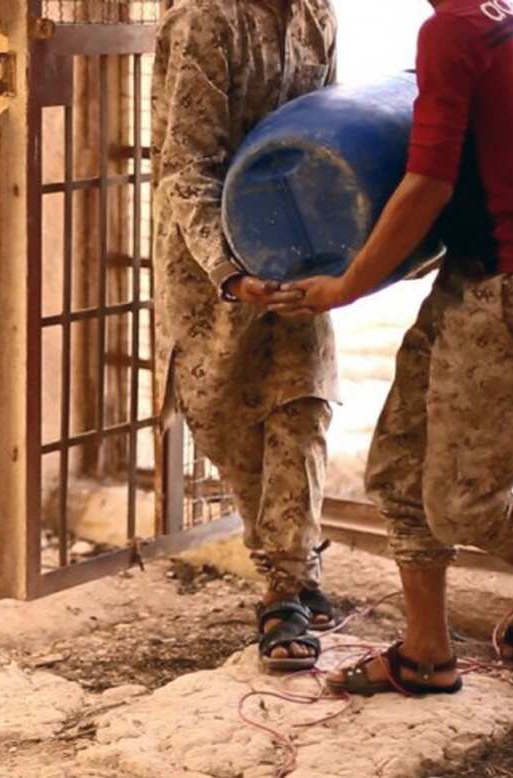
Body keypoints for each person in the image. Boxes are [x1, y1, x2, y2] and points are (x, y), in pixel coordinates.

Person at [268, 0, 513, 695]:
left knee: (463, 502)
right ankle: (426, 655)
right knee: (398, 471)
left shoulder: (453, 28)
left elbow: (427, 186)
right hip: (474, 281)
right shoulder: (492, 17)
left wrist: (347, 286)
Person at [152, 0, 341, 671]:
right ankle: (291, 565)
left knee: (302, 405)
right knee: (228, 419)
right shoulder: (204, 20)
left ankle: (286, 588)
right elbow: (186, 166)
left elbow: (329, 134)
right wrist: (231, 273)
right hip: (210, 266)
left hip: (299, 251)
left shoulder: (317, 14)